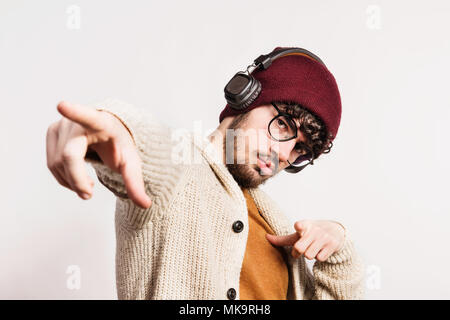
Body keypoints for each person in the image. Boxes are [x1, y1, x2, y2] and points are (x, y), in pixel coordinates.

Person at [46, 47, 365, 300]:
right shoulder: (179, 170)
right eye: (283, 125)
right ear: (245, 97)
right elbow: (147, 144)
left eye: (300, 150)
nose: (284, 154)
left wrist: (339, 248)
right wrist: (111, 127)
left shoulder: (280, 225)